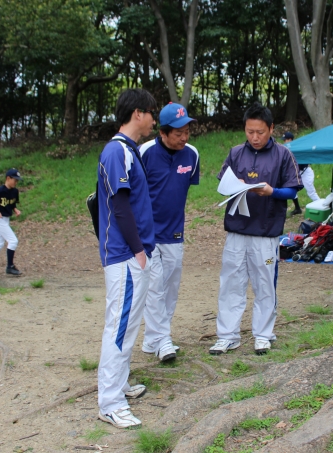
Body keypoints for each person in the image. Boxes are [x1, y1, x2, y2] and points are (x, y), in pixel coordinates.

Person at [210, 103, 303, 356]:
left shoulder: (283, 155)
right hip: (236, 231)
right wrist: (234, 185)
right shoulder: (236, 153)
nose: (255, 137)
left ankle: (263, 334)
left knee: (264, 284)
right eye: (250, 132)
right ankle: (227, 336)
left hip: (266, 232)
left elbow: (293, 190)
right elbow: (222, 184)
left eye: (260, 132)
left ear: (271, 129)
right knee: (230, 283)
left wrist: (272, 191)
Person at [96, 88, 157, 429]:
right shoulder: (116, 150)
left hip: (132, 254)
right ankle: (110, 403)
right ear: (138, 113)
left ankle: (119, 385)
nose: (153, 121)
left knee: (129, 325)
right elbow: (119, 205)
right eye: (151, 113)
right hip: (125, 255)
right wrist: (138, 251)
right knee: (118, 328)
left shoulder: (129, 150)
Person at [139, 103, 200, 362]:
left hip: (175, 233)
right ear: (163, 132)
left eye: (187, 131)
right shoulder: (144, 153)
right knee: (154, 288)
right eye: (178, 133)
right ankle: (163, 340)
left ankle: (152, 339)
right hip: (147, 234)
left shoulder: (192, 155)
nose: (184, 137)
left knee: (170, 288)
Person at [282, 132, 319, 216]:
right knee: (292, 189)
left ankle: (321, 207)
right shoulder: (287, 149)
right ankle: (297, 209)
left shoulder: (297, 148)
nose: (284, 142)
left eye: (285, 140)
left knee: (311, 192)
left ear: (290, 140)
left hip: (305, 172)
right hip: (297, 173)